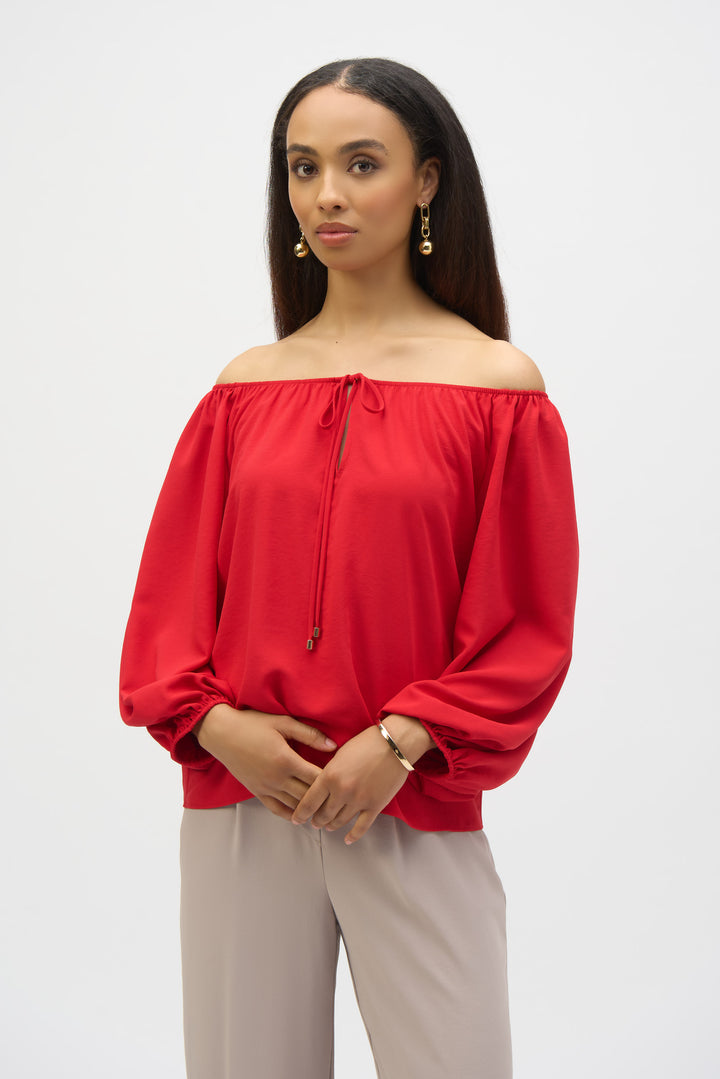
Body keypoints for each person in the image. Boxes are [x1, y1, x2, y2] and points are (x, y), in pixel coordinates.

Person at [119, 57, 579, 1079]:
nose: (326, 193)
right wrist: (218, 727)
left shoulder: (498, 390)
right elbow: (168, 608)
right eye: (303, 166)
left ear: (427, 181)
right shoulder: (242, 392)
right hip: (243, 801)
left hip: (409, 799)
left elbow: (527, 627)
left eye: (361, 163)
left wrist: (402, 741)